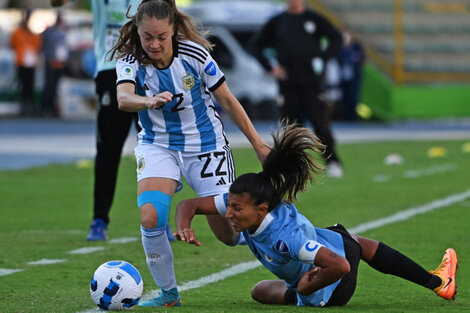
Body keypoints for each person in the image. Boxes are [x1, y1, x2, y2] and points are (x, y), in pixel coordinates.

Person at [174, 121, 458, 307]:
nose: (229, 214)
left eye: (236, 209)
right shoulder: (246, 202)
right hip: (318, 260)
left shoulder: (286, 239)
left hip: (335, 286)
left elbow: (340, 266)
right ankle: (437, 282)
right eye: (230, 206)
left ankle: (438, 282)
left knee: (354, 245)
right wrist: (184, 226)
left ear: (261, 210)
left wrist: (311, 286)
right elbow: (190, 205)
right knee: (258, 290)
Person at [108, 0, 270, 307]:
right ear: (137, 32)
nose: (154, 44)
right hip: (158, 144)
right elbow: (123, 97)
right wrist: (148, 101)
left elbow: (229, 101)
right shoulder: (130, 60)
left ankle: (285, 243)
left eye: (161, 37)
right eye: (147, 37)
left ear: (173, 30)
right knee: (151, 214)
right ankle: (169, 294)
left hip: (205, 146)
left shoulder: (195, 54)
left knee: (229, 232)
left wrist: (258, 145)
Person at [51, 0, 142, 241]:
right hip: (110, 71)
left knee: (155, 150)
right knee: (108, 151)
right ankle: (99, 219)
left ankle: (158, 220)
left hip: (148, 72)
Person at [252, 0, 344, 178]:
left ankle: (333, 161)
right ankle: (296, 167)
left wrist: (323, 58)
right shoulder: (278, 21)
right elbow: (257, 45)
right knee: (292, 128)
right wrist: (271, 67)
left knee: (321, 124)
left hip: (312, 83)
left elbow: (336, 38)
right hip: (288, 84)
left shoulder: (314, 19)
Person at [10, 8, 41, 117]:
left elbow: (37, 45)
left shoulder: (33, 34)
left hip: (31, 63)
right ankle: (23, 105)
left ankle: (28, 104)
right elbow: (13, 44)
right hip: (21, 63)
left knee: (30, 85)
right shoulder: (18, 33)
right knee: (22, 84)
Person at [41, 12, 68, 118]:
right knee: (49, 86)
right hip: (52, 63)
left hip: (60, 64)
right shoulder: (50, 32)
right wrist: (49, 58)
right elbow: (46, 46)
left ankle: (53, 107)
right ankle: (45, 107)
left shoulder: (63, 32)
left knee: (56, 87)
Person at [337, 30, 365, 121]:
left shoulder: (356, 47)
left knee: (353, 98)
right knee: (343, 99)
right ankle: (344, 117)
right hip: (342, 78)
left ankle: (353, 117)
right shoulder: (339, 48)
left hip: (353, 78)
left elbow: (361, 59)